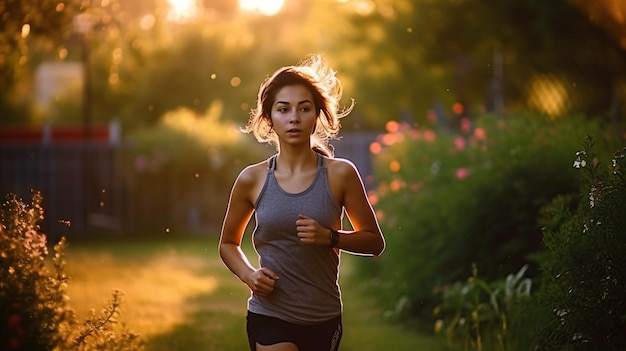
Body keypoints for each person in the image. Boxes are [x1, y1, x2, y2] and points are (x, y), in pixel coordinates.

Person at [218, 54, 385, 351]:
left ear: (316, 115)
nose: (294, 117)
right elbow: (228, 243)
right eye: (283, 109)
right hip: (269, 313)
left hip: (324, 317)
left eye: (304, 108)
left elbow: (374, 242)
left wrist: (330, 237)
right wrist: (249, 275)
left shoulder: (340, 174)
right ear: (269, 118)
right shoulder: (252, 179)